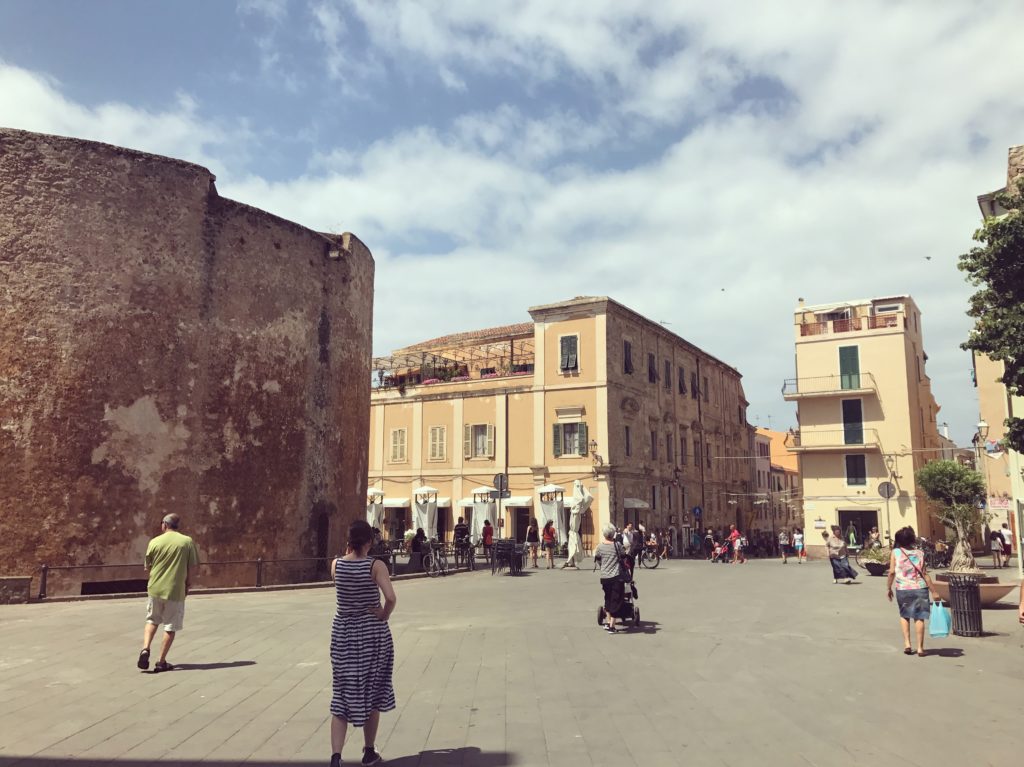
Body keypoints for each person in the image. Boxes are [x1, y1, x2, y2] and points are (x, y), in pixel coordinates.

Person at [330, 520, 397, 767]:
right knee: (373, 690)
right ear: (370, 541)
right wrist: (383, 614)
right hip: (371, 635)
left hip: (343, 635)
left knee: (341, 694)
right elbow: (390, 598)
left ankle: (336, 757)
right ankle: (368, 752)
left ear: (348, 541)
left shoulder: (336, 565)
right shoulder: (375, 566)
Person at [138, 513, 199, 673]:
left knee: (152, 620)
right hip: (174, 590)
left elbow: (148, 567)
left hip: (155, 588)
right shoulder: (186, 542)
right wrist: (187, 584)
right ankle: (161, 661)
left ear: (164, 524)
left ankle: (145, 648)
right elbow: (190, 566)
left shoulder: (154, 542)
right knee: (170, 626)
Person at [886, 526, 939, 657]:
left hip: (903, 589)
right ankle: (920, 648)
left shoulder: (896, 552)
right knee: (919, 617)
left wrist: (888, 588)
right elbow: (925, 574)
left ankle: (907, 644)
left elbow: (892, 572)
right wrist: (934, 592)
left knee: (904, 615)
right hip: (920, 588)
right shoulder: (920, 553)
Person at [594, 524, 627, 633]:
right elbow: (624, 557)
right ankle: (612, 626)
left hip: (604, 577)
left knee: (608, 598)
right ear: (613, 534)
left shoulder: (599, 547)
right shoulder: (617, 545)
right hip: (616, 576)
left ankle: (608, 622)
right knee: (616, 600)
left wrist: (604, 565)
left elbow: (598, 560)